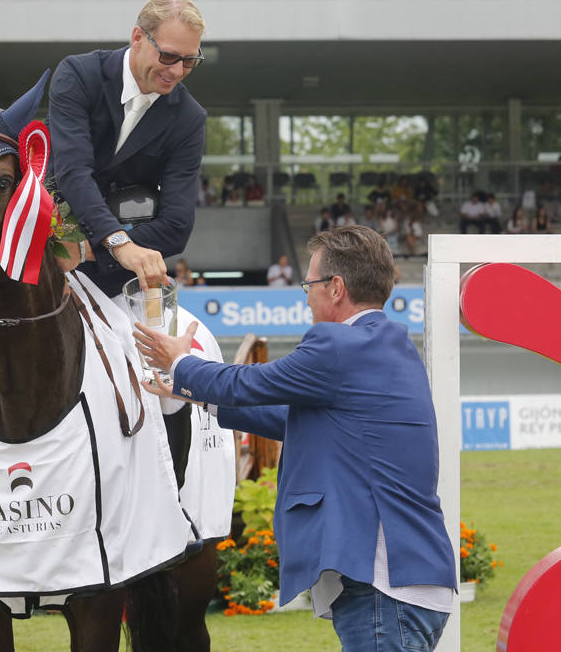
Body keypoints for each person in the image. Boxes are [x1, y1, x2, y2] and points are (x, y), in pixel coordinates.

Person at [134, 225, 456, 651]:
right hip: (414, 581)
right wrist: (189, 390)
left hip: (383, 586)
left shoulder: (337, 345)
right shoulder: (390, 343)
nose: (306, 295)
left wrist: (180, 363)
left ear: (336, 287)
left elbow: (246, 384)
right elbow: (295, 418)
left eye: (310, 283)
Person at [48, 0, 208, 296]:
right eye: (169, 56)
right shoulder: (78, 75)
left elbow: (177, 226)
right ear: (137, 37)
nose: (176, 71)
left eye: (189, 61)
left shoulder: (190, 118)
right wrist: (119, 242)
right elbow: (73, 172)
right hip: (36, 261)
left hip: (114, 285)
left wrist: (87, 249)